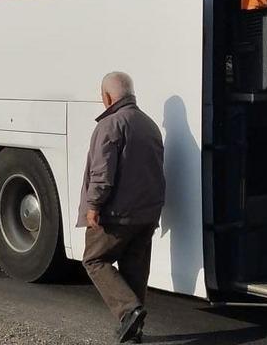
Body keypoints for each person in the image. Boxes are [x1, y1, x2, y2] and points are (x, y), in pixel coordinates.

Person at [78, 72, 166, 344]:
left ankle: (129, 311)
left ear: (107, 96)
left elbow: (102, 173)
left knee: (94, 260)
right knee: (134, 269)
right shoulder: (150, 125)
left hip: (117, 215)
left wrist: (93, 205)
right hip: (147, 214)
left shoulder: (110, 125)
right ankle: (133, 332)